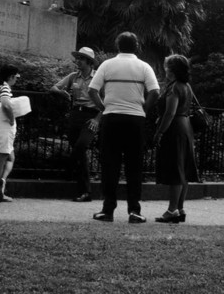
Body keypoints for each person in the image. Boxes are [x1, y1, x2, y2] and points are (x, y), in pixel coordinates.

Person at [88, 32, 160, 223]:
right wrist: (143, 109)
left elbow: (92, 91)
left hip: (112, 118)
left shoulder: (107, 65)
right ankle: (134, 211)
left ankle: (108, 210)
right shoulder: (144, 67)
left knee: (109, 164)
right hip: (135, 119)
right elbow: (155, 91)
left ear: (117, 45)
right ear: (136, 46)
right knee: (134, 166)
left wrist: (104, 108)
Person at [50, 47, 102, 202]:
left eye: (81, 58)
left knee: (81, 146)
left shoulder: (99, 78)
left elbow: (107, 102)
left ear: (89, 62)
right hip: (75, 115)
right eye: (77, 58)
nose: (77, 61)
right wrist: (61, 92)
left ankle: (68, 170)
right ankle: (85, 191)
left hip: (91, 117)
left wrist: (97, 120)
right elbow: (53, 87)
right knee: (80, 153)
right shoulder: (73, 76)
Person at [154, 54, 198, 223]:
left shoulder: (174, 88)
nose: (164, 69)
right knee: (182, 170)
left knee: (175, 170)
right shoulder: (186, 85)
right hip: (186, 127)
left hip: (175, 129)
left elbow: (170, 112)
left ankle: (172, 210)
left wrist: (159, 132)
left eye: (166, 66)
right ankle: (180, 208)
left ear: (171, 70)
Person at [0, 64, 20, 202]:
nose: (16, 80)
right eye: (16, 77)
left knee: (9, 157)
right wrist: (12, 119)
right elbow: (6, 104)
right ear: (10, 76)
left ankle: (0, 184)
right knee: (1, 159)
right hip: (3, 123)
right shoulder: (5, 86)